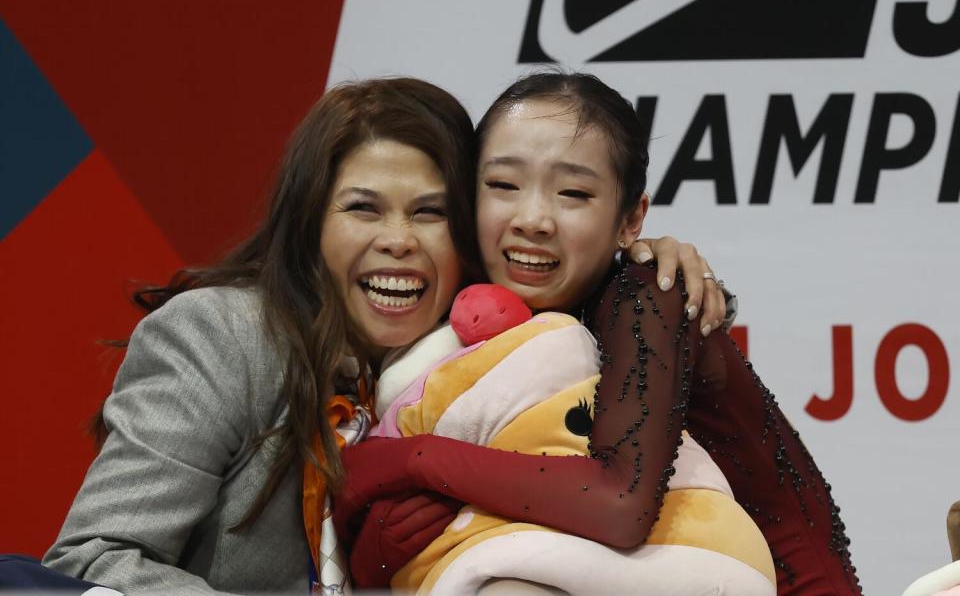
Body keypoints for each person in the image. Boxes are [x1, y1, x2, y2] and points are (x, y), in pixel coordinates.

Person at [42, 76, 721, 594]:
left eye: (429, 213)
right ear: (310, 226)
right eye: (363, 209)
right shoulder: (223, 336)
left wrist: (640, 260)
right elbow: (93, 557)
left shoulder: (481, 353)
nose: (397, 241)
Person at [334, 73, 861, 596]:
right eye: (503, 185)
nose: (533, 218)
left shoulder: (647, 292)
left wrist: (410, 461)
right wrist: (379, 544)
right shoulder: (465, 303)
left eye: (573, 193)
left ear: (631, 219)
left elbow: (618, 505)